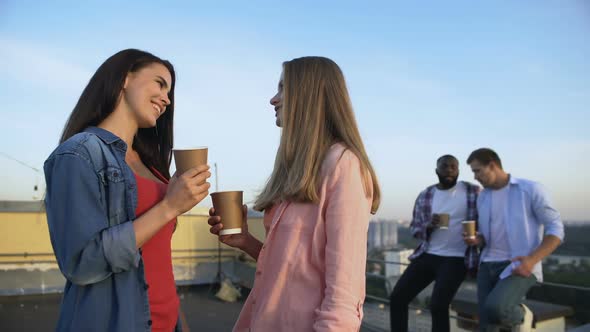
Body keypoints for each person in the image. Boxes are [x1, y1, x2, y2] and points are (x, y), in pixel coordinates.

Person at [208, 56, 381, 331]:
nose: (273, 100)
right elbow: (294, 268)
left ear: (308, 94)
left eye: (282, 88)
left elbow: (344, 296)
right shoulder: (299, 169)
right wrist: (246, 241)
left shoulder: (343, 164)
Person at [44, 49, 211, 331]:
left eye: (169, 91)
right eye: (160, 83)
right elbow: (82, 263)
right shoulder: (78, 154)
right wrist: (170, 207)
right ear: (124, 78)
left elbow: (157, 258)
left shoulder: (153, 166)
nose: (167, 99)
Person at [464, 148, 564, 332]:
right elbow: (490, 234)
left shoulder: (530, 189)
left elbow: (556, 229)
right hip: (486, 264)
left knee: (496, 309)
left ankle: (523, 315)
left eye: (477, 170)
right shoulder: (483, 197)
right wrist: (478, 239)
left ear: (492, 166)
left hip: (519, 265)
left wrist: (532, 260)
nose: (475, 177)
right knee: (487, 325)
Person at [389, 155, 480, 332]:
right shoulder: (426, 195)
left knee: (438, 305)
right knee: (397, 297)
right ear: (436, 171)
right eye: (444, 166)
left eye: (453, 166)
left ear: (458, 170)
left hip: (456, 258)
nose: (449, 170)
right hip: (428, 254)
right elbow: (415, 229)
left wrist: (478, 237)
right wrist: (428, 226)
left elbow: (489, 219)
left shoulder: (472, 192)